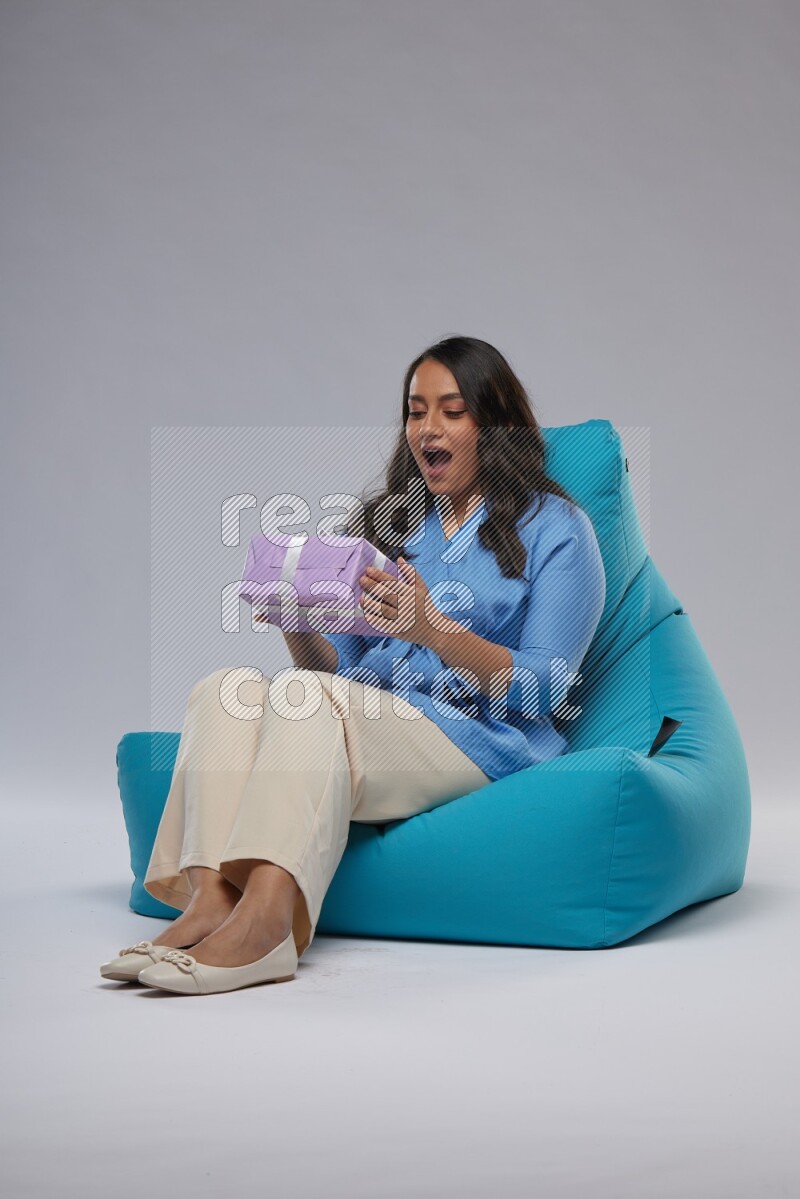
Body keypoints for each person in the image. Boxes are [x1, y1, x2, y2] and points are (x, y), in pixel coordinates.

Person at [100, 335, 606, 995]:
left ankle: (266, 927)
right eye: (415, 409)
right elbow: (332, 673)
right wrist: (297, 621)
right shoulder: (391, 526)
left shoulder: (559, 530)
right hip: (369, 722)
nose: (428, 427)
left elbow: (544, 687)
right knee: (226, 689)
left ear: (496, 423)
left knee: (306, 701)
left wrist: (433, 628)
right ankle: (209, 903)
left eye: (452, 410)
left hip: (477, 739)